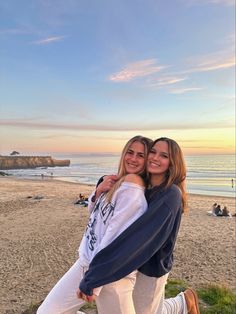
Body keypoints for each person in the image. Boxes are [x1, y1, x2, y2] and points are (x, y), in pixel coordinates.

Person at [78, 137, 200, 314]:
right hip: (134, 263)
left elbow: (137, 239)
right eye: (153, 152)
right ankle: (183, 302)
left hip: (150, 268)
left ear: (173, 163)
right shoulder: (146, 186)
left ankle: (183, 303)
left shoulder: (170, 195)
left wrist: (95, 276)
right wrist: (101, 188)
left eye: (164, 155)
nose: (155, 158)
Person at [36, 135, 152, 314]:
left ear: (147, 161)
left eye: (140, 155)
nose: (133, 158)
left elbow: (113, 236)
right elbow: (94, 214)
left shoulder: (133, 188)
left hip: (112, 275)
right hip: (86, 262)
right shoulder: (118, 181)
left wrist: (94, 281)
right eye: (130, 152)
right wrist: (98, 192)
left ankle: (182, 304)